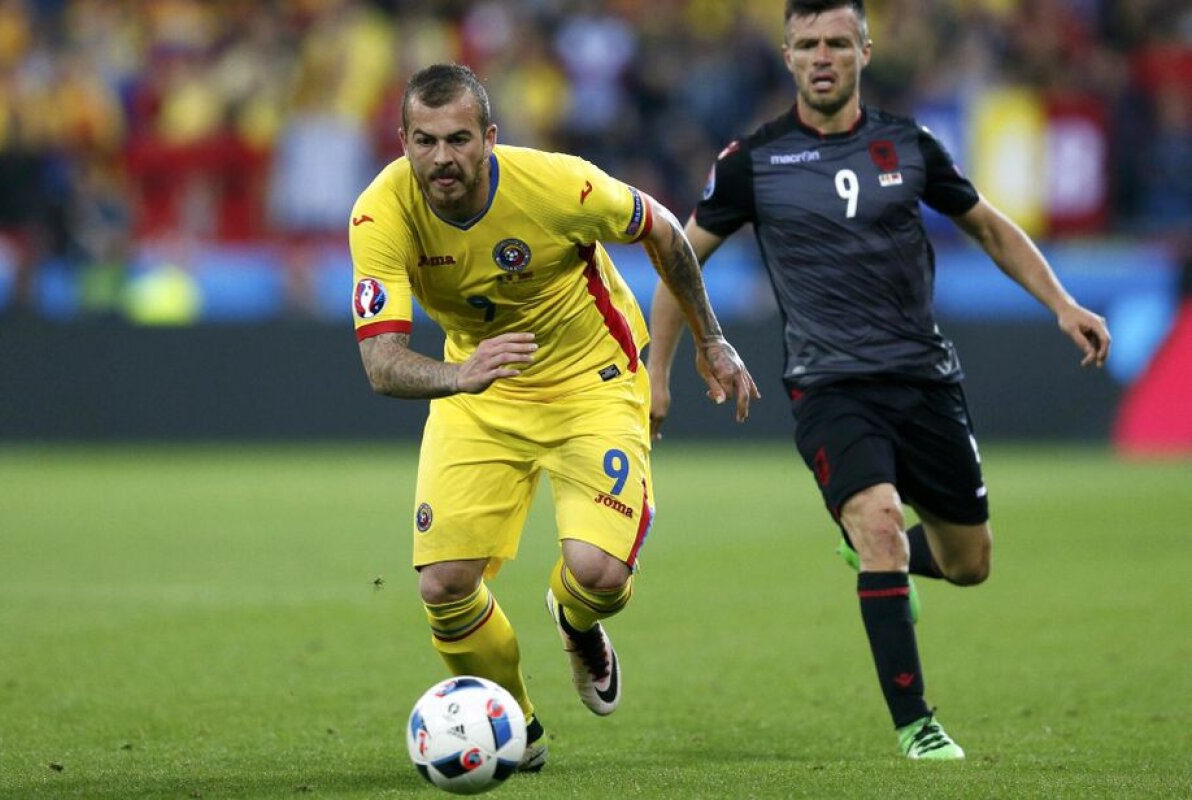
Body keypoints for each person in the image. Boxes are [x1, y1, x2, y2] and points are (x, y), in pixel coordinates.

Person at [647, 0, 1111, 760]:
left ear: (864, 49)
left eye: (837, 42)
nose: (822, 56)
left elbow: (988, 225)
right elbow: (676, 258)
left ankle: (875, 558)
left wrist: (1061, 304)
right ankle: (916, 723)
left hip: (924, 380)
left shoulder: (909, 144)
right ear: (787, 55)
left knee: (971, 564)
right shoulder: (753, 162)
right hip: (830, 388)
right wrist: (662, 369)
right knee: (881, 526)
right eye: (806, 44)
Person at [349, 63, 758, 772]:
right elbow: (382, 365)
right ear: (403, 141)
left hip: (591, 382)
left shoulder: (558, 185)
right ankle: (518, 731)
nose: (442, 158)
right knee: (443, 586)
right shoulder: (378, 214)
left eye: (459, 139)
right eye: (424, 141)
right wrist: (460, 375)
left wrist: (709, 338)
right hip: (480, 389)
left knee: (597, 573)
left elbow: (663, 232)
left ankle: (575, 619)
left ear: (491, 138)